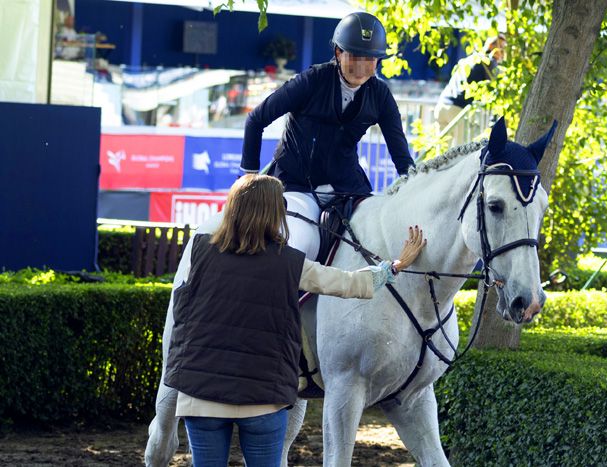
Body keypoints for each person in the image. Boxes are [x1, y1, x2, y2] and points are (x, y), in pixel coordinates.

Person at [164, 174, 427, 467]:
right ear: (276, 213)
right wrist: (395, 266)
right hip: (264, 398)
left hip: (201, 397)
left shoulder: (199, 251)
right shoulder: (289, 263)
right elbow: (349, 283)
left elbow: (183, 315)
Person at [240, 11, 415, 262]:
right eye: (354, 57)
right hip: (295, 181)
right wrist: (250, 177)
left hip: (346, 186)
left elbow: (401, 154)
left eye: (370, 60)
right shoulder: (312, 80)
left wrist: (414, 188)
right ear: (338, 53)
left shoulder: (381, 95)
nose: (361, 68)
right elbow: (255, 119)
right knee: (291, 241)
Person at [434, 34, 507, 145]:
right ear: (491, 46)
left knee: (441, 152)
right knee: (459, 152)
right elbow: (494, 89)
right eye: (501, 47)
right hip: (458, 110)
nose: (502, 52)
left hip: (442, 105)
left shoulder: (470, 58)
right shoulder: (488, 62)